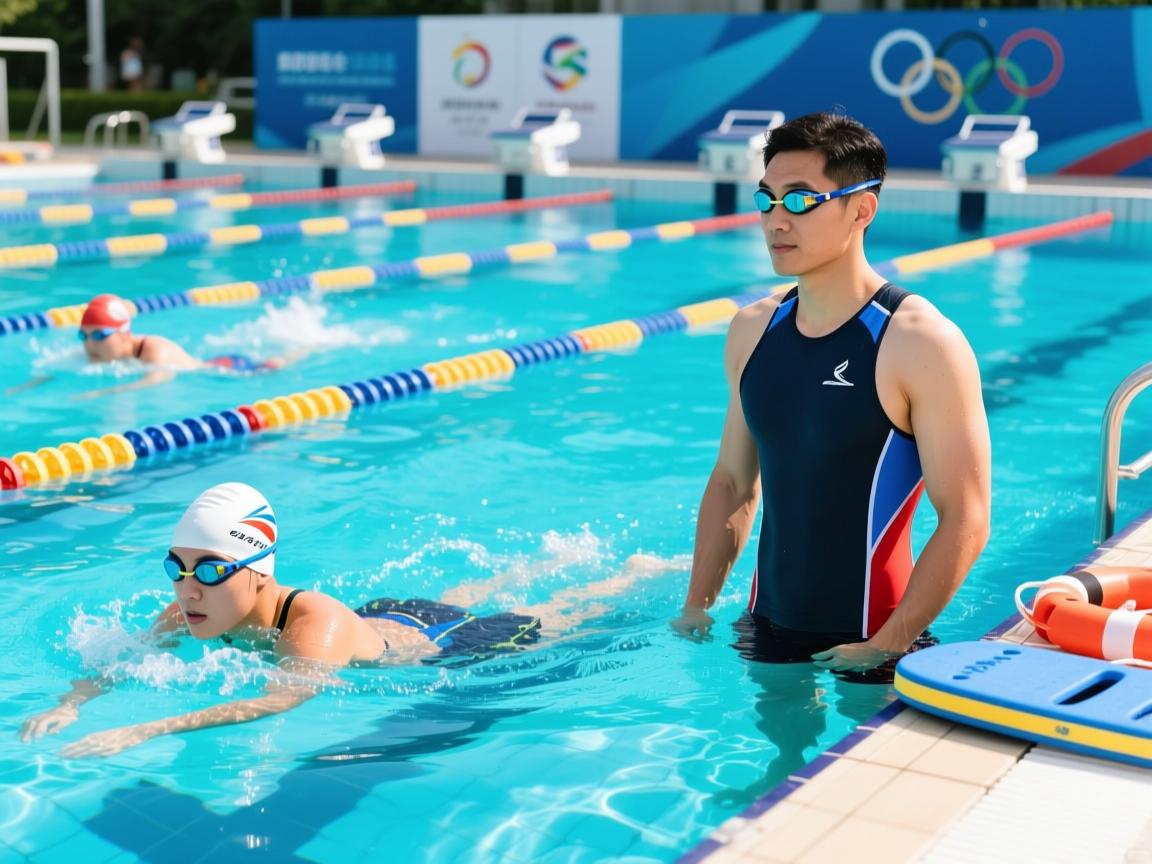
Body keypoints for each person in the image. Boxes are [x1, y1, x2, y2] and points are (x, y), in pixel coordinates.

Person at [21, 482, 680, 757]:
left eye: (210, 569)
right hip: (385, 615)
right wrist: (75, 703)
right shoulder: (192, 600)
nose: (190, 588)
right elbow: (123, 655)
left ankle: (629, 574)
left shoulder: (312, 626)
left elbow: (279, 700)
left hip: (441, 644)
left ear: (258, 571)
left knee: (560, 618)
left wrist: (146, 729)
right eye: (179, 567)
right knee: (473, 590)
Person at [671, 112, 991, 676]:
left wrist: (887, 645)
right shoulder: (753, 329)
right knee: (773, 766)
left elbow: (965, 516)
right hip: (764, 626)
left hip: (879, 638)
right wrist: (696, 606)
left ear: (861, 209)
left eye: (799, 201)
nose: (776, 220)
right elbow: (731, 482)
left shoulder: (918, 340)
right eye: (767, 200)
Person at [71, 293, 296, 398]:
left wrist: (104, 393)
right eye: (84, 335)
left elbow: (157, 378)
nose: (90, 344)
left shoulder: (153, 350)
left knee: (275, 364)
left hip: (228, 367)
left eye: (100, 335)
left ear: (123, 334)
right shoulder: (99, 353)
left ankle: (300, 350)